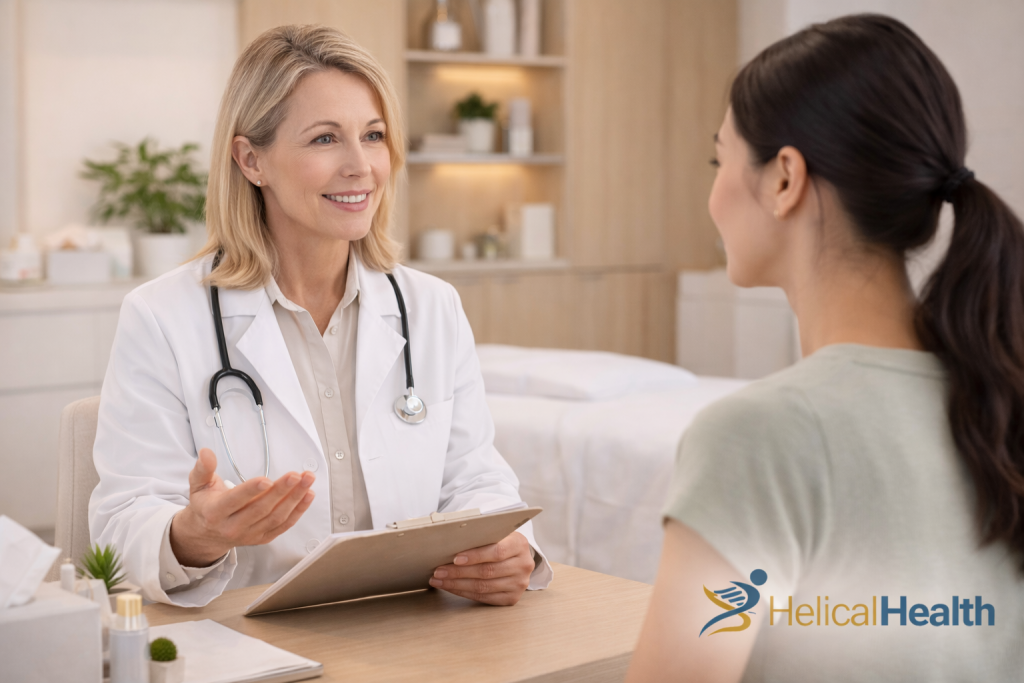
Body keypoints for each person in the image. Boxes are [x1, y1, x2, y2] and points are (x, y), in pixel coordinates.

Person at [89, 25, 551, 608]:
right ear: (251, 159)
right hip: (252, 641)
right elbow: (119, 528)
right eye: (326, 139)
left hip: (411, 629)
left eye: (374, 135)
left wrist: (509, 547)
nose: (361, 167)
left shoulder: (430, 307)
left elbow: (476, 477)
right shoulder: (161, 317)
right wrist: (194, 537)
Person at [627, 14, 1024, 682]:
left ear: (785, 178)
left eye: (718, 159)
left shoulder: (758, 437)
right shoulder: (1001, 401)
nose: (714, 195)